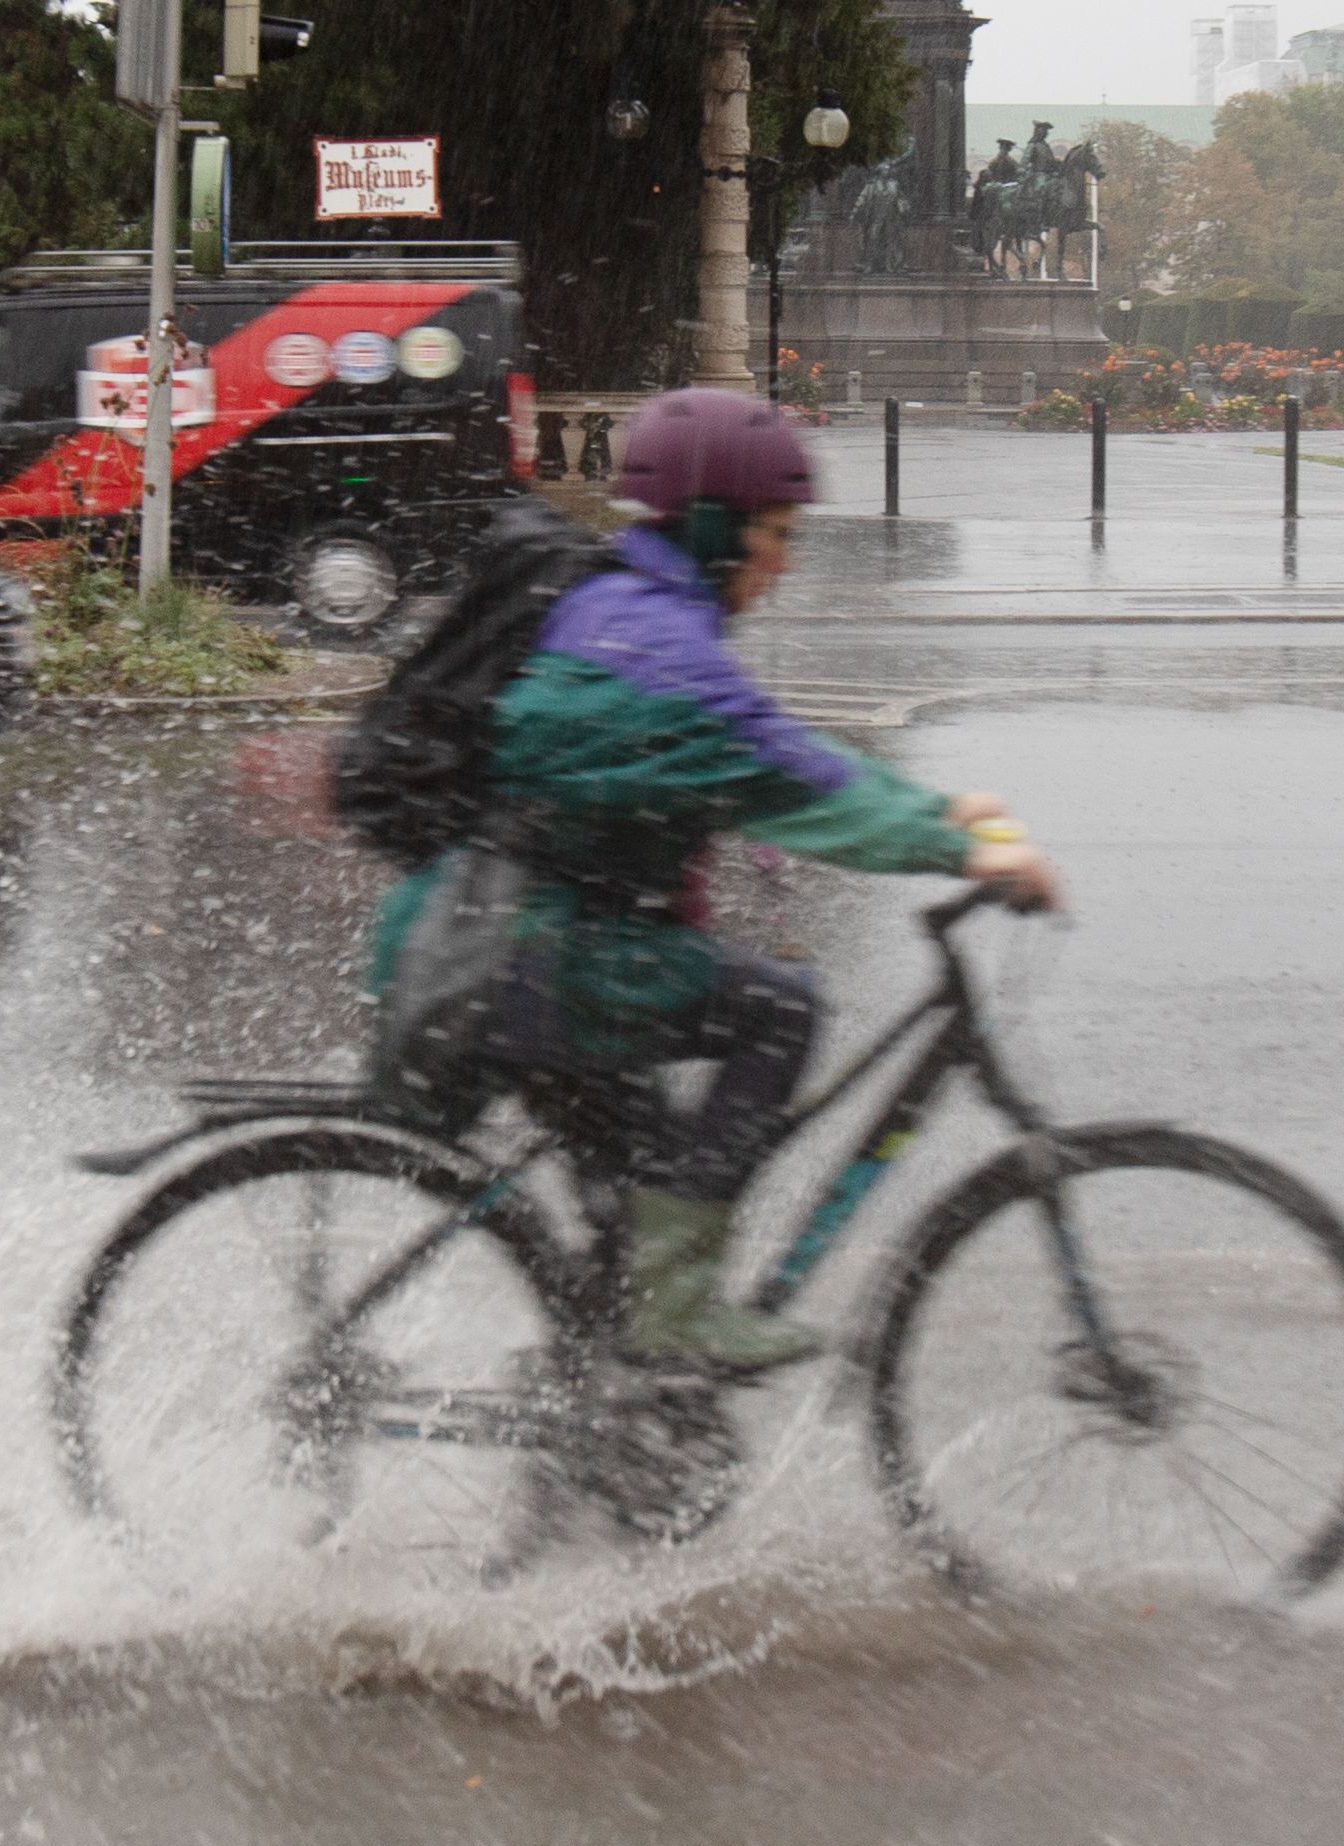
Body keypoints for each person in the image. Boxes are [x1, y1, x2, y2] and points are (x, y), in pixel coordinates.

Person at [367, 388, 1060, 1375]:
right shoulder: (652, 644)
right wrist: (963, 851)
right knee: (775, 1008)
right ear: (712, 528)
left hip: (500, 938)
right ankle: (675, 1311)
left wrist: (932, 810)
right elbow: (773, 775)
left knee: (634, 1179)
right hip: (518, 954)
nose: (787, 559)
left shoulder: (636, 607)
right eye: (775, 532)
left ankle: (610, 1411)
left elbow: (774, 746)